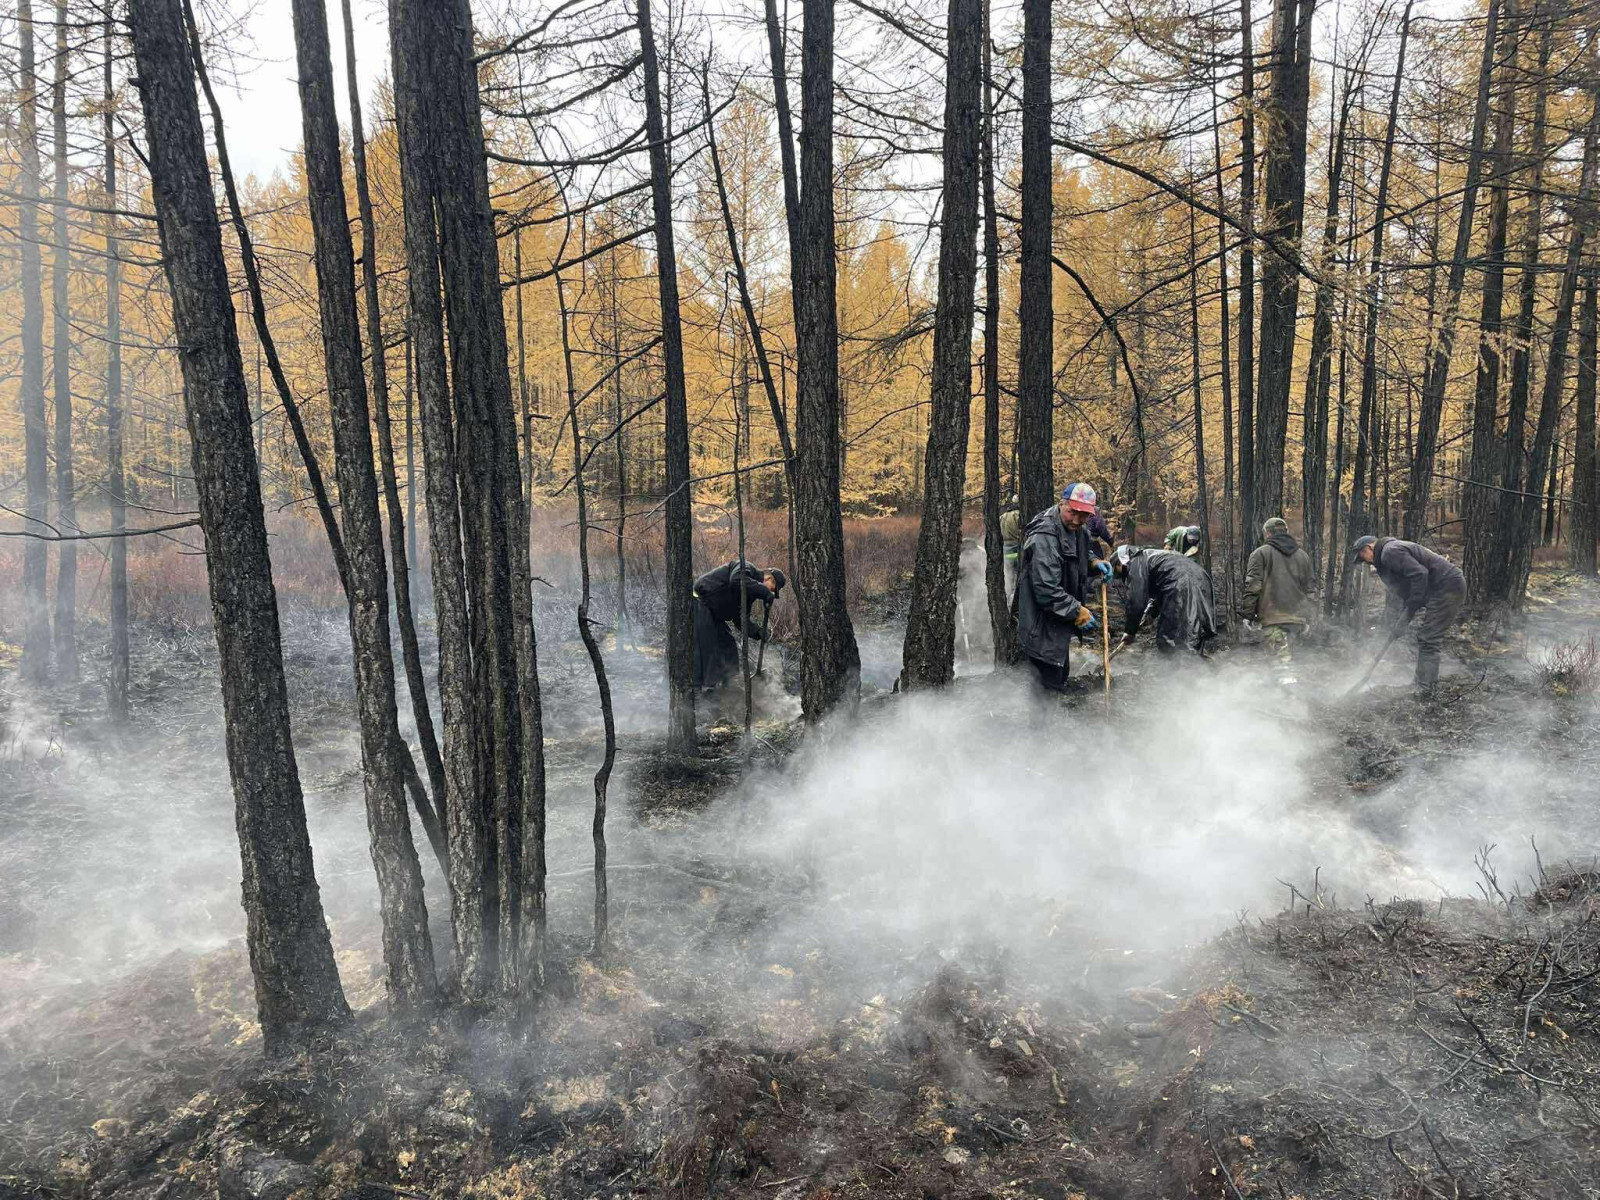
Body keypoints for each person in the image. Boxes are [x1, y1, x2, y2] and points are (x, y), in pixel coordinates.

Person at [1017, 482, 1111, 692]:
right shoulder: (1045, 536)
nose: (1078, 520)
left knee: (1058, 677)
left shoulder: (1077, 529)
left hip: (1058, 622)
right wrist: (1077, 611)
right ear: (1062, 504)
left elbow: (1078, 553)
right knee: (1045, 687)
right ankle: (1041, 725)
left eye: (1084, 515)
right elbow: (1046, 590)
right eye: (1073, 512)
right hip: (1041, 626)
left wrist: (1094, 562)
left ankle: (1049, 720)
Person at [1351, 534, 1466, 691]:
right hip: (1439, 589)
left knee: (1428, 639)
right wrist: (1402, 622)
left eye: (1363, 556)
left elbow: (1420, 575)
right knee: (1427, 638)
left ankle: (1425, 689)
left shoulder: (1389, 552)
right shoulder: (1387, 556)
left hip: (1447, 587)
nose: (1365, 562)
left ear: (1368, 548)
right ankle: (1422, 684)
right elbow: (1406, 592)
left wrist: (1411, 607)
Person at [691, 560, 785, 691]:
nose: (771, 593)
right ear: (769, 578)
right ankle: (700, 691)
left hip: (713, 614)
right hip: (699, 601)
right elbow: (735, 580)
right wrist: (764, 592)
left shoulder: (749, 595)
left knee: (728, 645)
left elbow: (741, 620)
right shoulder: (746, 567)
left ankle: (727, 687)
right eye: (772, 589)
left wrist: (757, 632)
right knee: (708, 645)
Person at [1113, 543, 1217, 656]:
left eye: (1117, 570)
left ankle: (1178, 669)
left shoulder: (1135, 563)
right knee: (1193, 629)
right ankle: (1196, 666)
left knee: (1170, 636)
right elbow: (1160, 588)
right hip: (1201, 579)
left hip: (1180, 584)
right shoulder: (1153, 556)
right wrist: (1150, 614)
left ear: (1120, 562)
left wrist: (1129, 631)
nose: (1122, 575)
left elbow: (1136, 601)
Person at [1242, 517, 1317, 668]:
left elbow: (1253, 587)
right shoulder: (1303, 556)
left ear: (1267, 534)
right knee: (1294, 664)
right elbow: (1310, 591)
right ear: (1286, 532)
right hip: (1298, 621)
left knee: (1280, 667)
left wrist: (1248, 615)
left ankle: (1284, 690)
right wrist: (1308, 618)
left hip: (1272, 620)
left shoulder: (1260, 554)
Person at [1000, 495, 1022, 595]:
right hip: (1017, 549)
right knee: (1018, 577)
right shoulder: (1019, 515)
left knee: (1008, 578)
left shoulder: (1002, 517)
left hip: (1005, 551)